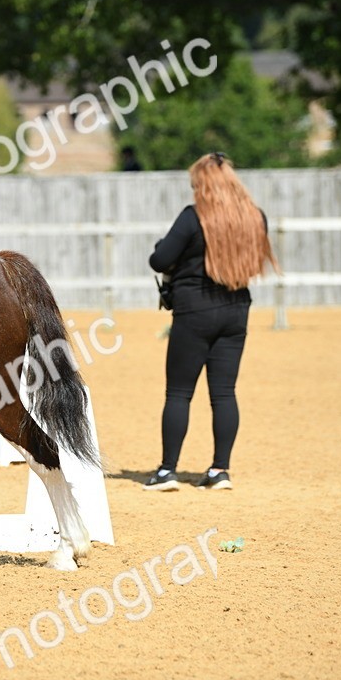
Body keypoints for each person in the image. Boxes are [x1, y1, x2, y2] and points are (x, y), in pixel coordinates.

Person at [143, 152, 279, 491]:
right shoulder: (255, 217)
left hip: (194, 311)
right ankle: (220, 470)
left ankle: (167, 471)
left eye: (195, 185)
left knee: (178, 393)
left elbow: (159, 260)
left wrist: (166, 248)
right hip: (236, 310)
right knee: (224, 393)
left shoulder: (193, 217)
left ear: (203, 186)